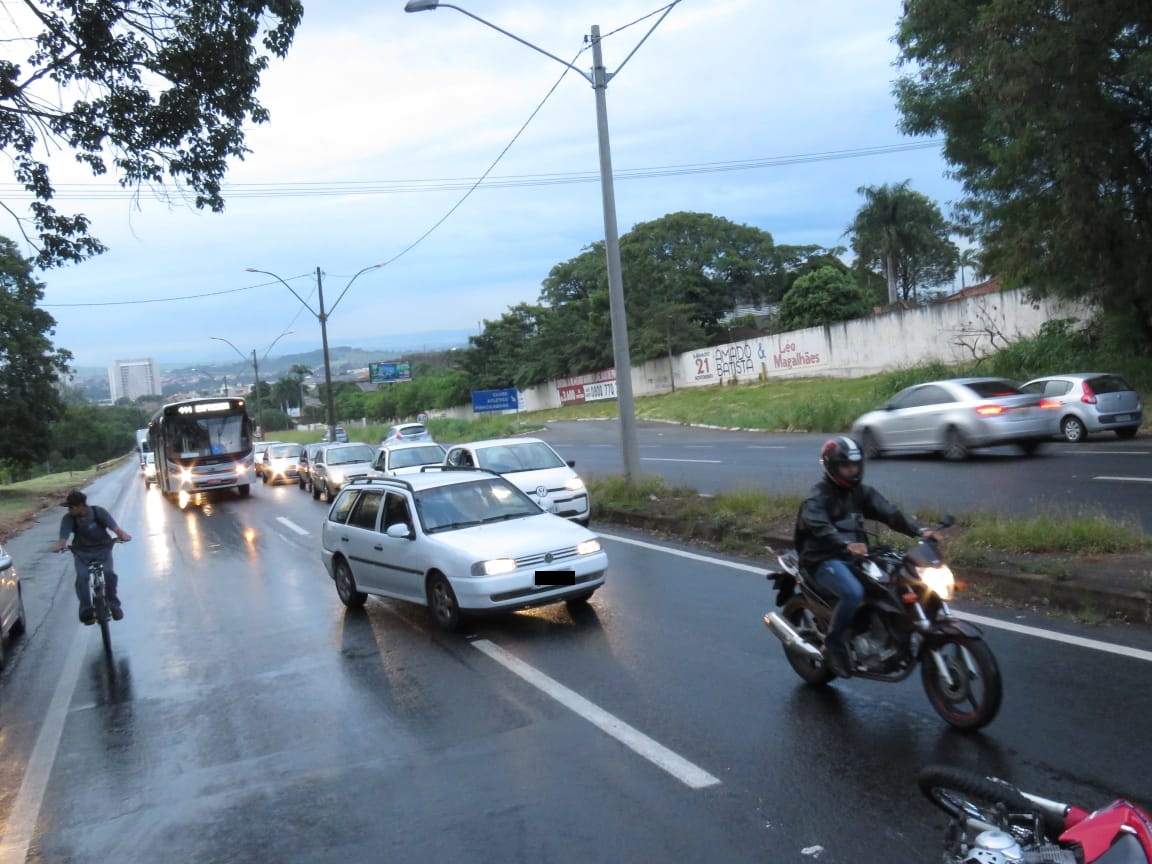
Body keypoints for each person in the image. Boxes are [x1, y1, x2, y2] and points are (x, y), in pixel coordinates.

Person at [794, 436, 938, 678]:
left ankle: (885, 635)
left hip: (855, 555)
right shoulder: (817, 497)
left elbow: (889, 513)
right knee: (853, 592)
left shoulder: (859, 493)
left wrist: (920, 530)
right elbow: (819, 526)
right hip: (822, 559)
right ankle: (833, 646)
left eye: (856, 465)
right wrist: (845, 543)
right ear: (832, 466)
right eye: (846, 466)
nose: (852, 470)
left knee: (894, 580)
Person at [50, 490, 132, 624]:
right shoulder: (68, 518)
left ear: (81, 506)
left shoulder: (98, 512)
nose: (69, 510)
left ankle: (114, 605)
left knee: (109, 573)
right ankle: (86, 610)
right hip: (81, 552)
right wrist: (60, 546)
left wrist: (123, 535)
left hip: (103, 549)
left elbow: (116, 529)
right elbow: (63, 538)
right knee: (82, 578)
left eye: (72, 507)